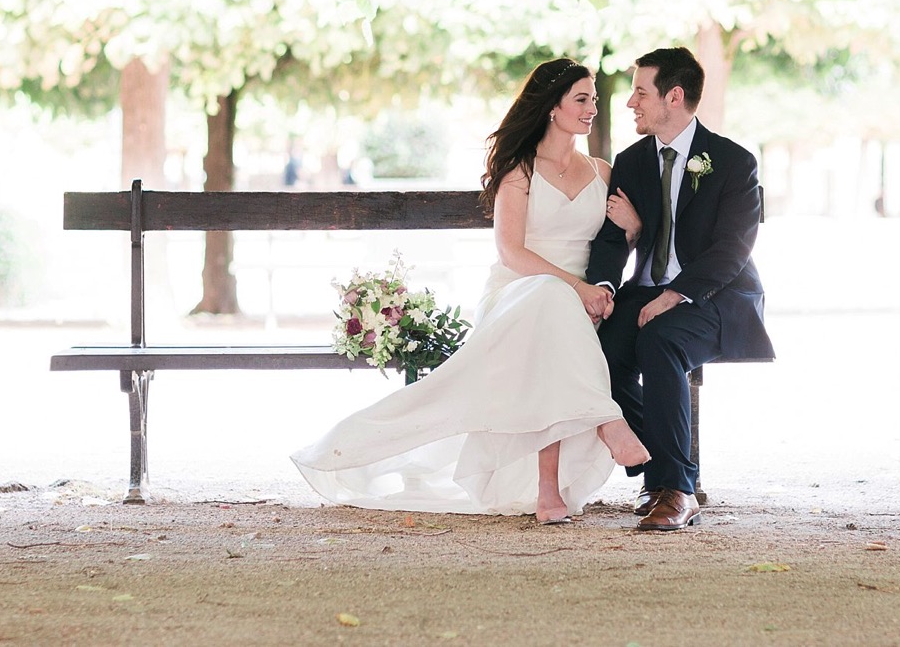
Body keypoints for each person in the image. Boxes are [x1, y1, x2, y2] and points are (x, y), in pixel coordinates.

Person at [292, 59, 650, 524]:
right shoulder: (519, 171)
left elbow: (612, 244)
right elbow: (512, 253)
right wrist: (576, 289)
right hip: (518, 294)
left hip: (575, 304)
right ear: (551, 107)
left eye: (594, 100)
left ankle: (549, 490)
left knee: (554, 325)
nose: (593, 109)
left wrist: (633, 230)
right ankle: (606, 420)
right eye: (582, 99)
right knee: (549, 304)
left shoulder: (602, 172)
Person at [587, 46, 775, 532]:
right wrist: (604, 289)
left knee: (660, 337)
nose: (630, 102)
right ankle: (661, 468)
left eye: (639, 92)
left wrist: (674, 294)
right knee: (594, 350)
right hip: (644, 291)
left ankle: (677, 489)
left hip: (713, 297)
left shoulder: (733, 162)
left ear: (674, 96)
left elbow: (732, 248)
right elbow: (612, 238)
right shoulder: (630, 162)